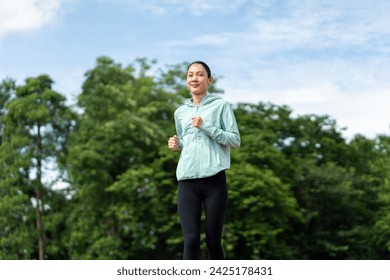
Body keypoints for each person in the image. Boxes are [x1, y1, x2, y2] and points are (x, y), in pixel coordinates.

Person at [167, 61, 240, 260]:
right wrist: (177, 144)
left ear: (209, 80)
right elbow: (187, 141)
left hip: (214, 180)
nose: (194, 78)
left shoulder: (221, 106)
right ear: (186, 80)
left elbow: (235, 140)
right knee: (190, 240)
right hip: (187, 181)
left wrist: (206, 126)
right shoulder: (180, 112)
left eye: (199, 75)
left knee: (213, 241)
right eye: (190, 75)